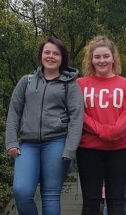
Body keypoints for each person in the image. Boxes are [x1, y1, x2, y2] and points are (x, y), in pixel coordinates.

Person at [5, 37, 84, 215]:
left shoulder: (69, 84)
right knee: (21, 191)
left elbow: (76, 118)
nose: (51, 56)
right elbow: (14, 112)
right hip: (28, 144)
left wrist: (69, 150)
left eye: (56, 53)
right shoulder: (27, 81)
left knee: (50, 195)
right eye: (47, 52)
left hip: (56, 143)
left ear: (62, 58)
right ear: (41, 55)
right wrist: (11, 141)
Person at [76, 35, 126, 215]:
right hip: (89, 149)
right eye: (97, 57)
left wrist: (109, 132)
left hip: (120, 150)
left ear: (113, 58)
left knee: (116, 200)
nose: (102, 60)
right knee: (90, 201)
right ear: (91, 59)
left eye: (105, 56)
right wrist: (103, 131)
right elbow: (79, 115)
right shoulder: (80, 85)